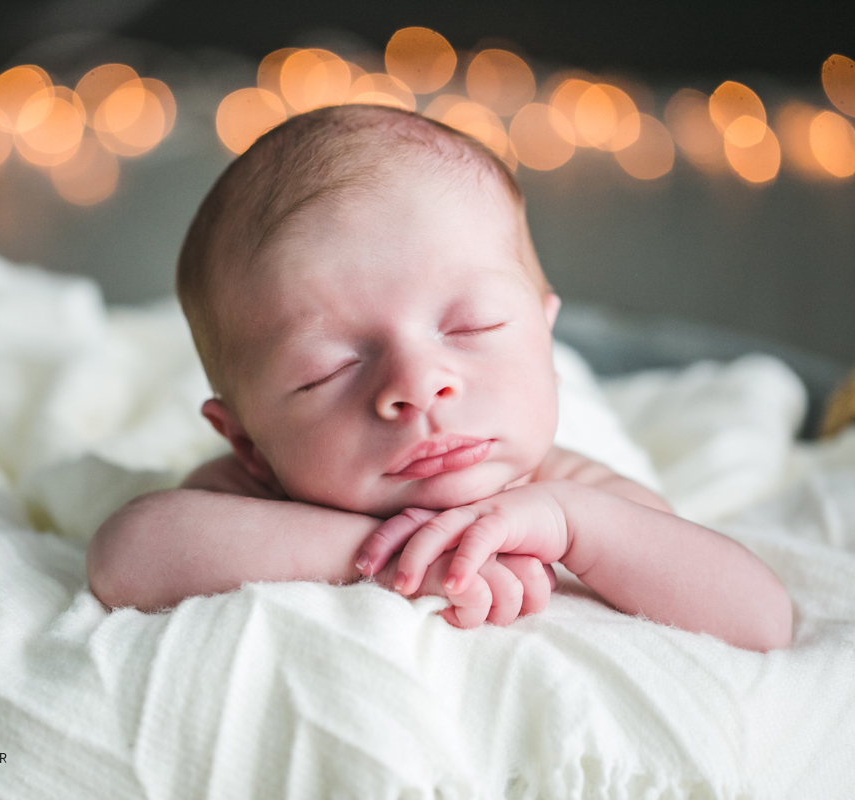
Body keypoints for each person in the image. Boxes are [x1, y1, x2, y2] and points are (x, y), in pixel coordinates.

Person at [86, 103, 792, 651]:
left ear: (544, 338)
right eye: (327, 369)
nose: (418, 386)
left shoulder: (569, 488)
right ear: (246, 442)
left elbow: (762, 619)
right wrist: (390, 558)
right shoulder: (254, 493)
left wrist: (572, 525)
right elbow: (128, 556)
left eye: (474, 326)